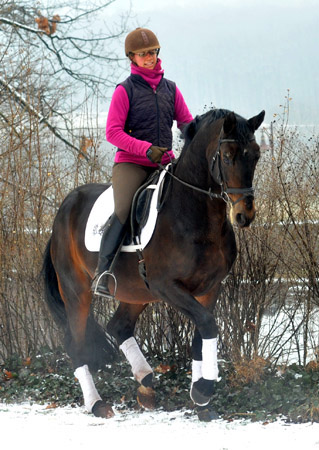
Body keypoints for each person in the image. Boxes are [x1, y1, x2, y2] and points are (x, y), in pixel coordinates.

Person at [92, 27, 193, 298]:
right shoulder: (125, 91)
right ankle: (103, 272)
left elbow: (186, 124)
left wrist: (204, 135)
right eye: (143, 54)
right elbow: (112, 132)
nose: (149, 57)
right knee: (124, 210)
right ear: (132, 57)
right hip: (131, 164)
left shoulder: (171, 89)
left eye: (153, 52)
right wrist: (145, 149)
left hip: (164, 164)